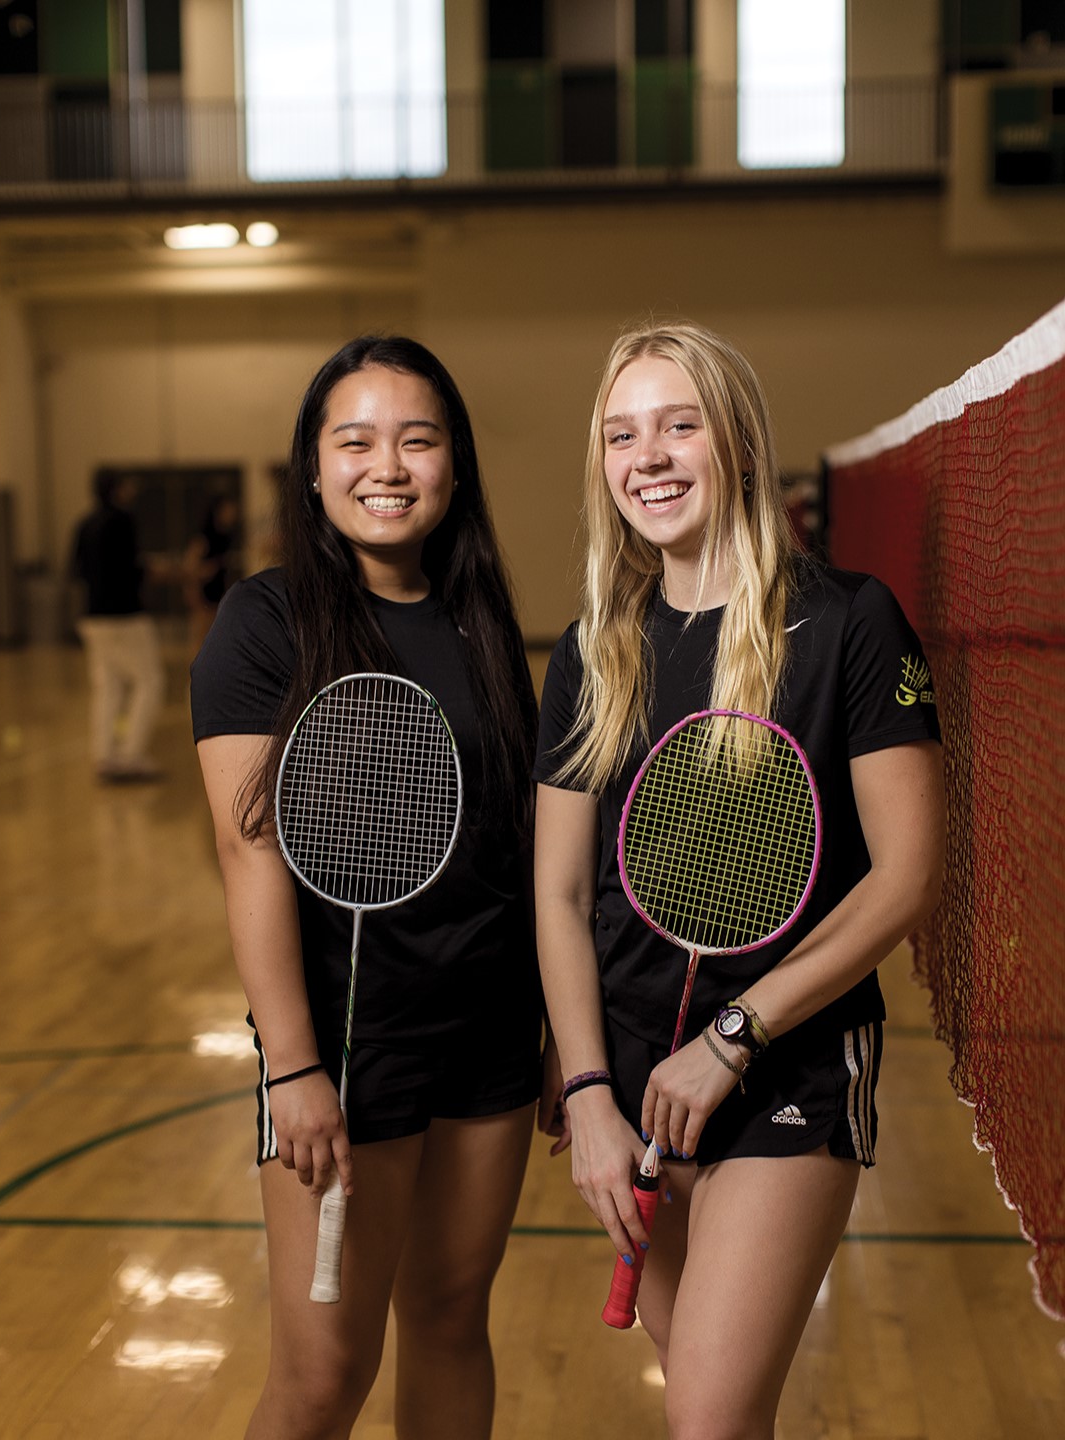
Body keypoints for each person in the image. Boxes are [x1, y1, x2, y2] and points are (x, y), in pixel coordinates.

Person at [533, 321, 945, 1440]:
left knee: (708, 1418)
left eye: (679, 425)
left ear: (741, 445)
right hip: (629, 1089)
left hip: (784, 1068)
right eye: (622, 435)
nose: (647, 457)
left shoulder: (848, 624)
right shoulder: (591, 652)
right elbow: (561, 898)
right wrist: (586, 1095)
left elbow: (908, 875)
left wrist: (733, 1037)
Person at [190, 336, 555, 1440]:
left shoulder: (479, 615)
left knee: (450, 1317)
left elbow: (516, 836)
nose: (385, 465)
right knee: (320, 1377)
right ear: (312, 466)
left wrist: (554, 1028)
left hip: (487, 1027)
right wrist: (292, 1063)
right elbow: (248, 849)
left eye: (417, 439)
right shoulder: (266, 621)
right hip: (352, 1043)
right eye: (354, 440)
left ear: (455, 465)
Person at [71, 471, 166, 782]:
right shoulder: (123, 521)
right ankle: (131, 756)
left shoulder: (84, 524)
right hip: (125, 616)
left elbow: (76, 570)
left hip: (92, 618)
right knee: (150, 681)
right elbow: (131, 567)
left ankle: (104, 755)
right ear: (117, 490)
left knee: (107, 685)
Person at [182, 492, 240, 654]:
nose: (233, 513)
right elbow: (190, 568)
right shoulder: (204, 537)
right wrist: (195, 599)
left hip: (219, 600)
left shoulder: (226, 537)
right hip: (203, 601)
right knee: (199, 647)